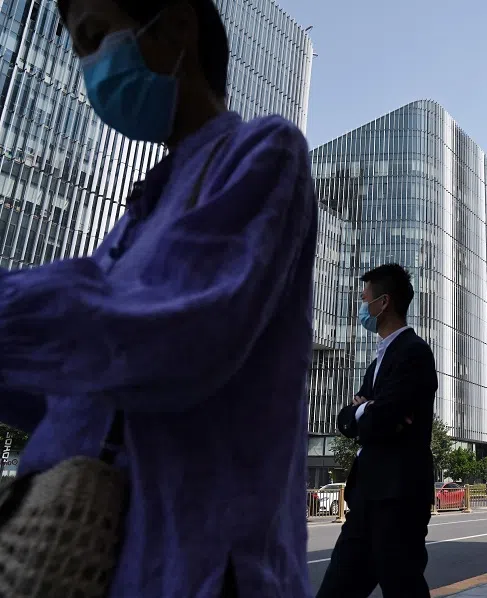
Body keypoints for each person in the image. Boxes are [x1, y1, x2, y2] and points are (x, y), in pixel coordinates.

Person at [0, 1, 318, 596]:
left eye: (98, 37)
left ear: (175, 26)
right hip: (99, 553)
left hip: (203, 563)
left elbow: (173, 336)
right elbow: (76, 381)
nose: (91, 69)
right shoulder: (134, 216)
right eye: (80, 50)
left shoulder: (264, 152)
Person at [317, 264, 438, 598]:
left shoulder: (413, 353)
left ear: (383, 303)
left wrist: (366, 410)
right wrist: (363, 410)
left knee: (403, 587)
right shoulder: (379, 359)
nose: (361, 306)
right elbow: (349, 419)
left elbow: (383, 418)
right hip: (366, 496)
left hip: (398, 497)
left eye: (364, 298)